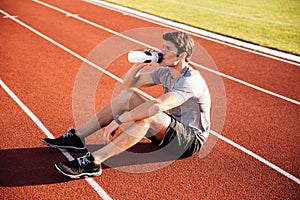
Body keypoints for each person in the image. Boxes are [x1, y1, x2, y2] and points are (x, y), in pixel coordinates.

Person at [42, 31, 211, 179]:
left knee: (148, 116)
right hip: (170, 130)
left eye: (168, 49)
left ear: (181, 56)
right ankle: (78, 137)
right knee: (127, 96)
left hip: (189, 141)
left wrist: (120, 120)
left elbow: (158, 105)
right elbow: (129, 83)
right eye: (163, 46)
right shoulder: (164, 71)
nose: (162, 51)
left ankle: (94, 161)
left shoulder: (191, 81)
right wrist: (140, 64)